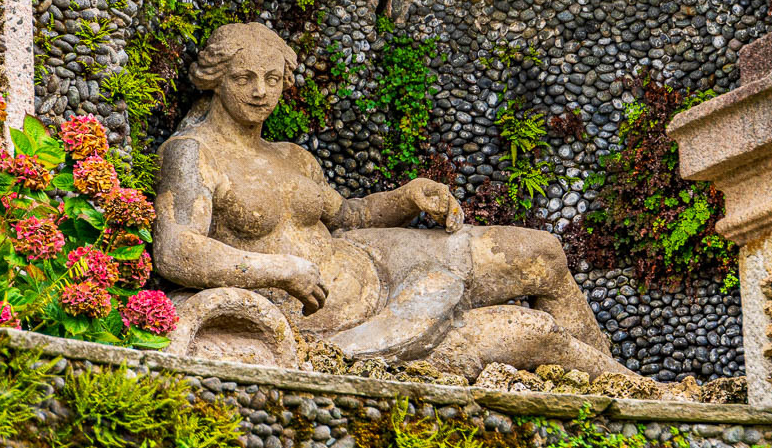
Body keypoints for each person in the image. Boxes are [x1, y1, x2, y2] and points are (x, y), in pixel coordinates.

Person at [153, 22, 629, 378]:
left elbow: (348, 216)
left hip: (374, 259)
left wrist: (407, 197)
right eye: (244, 78)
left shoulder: (293, 157)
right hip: (335, 323)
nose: (261, 92)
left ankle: (620, 377)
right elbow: (176, 249)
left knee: (542, 253)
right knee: (530, 332)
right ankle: (623, 389)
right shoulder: (193, 152)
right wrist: (279, 269)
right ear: (216, 79)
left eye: (272, 79)